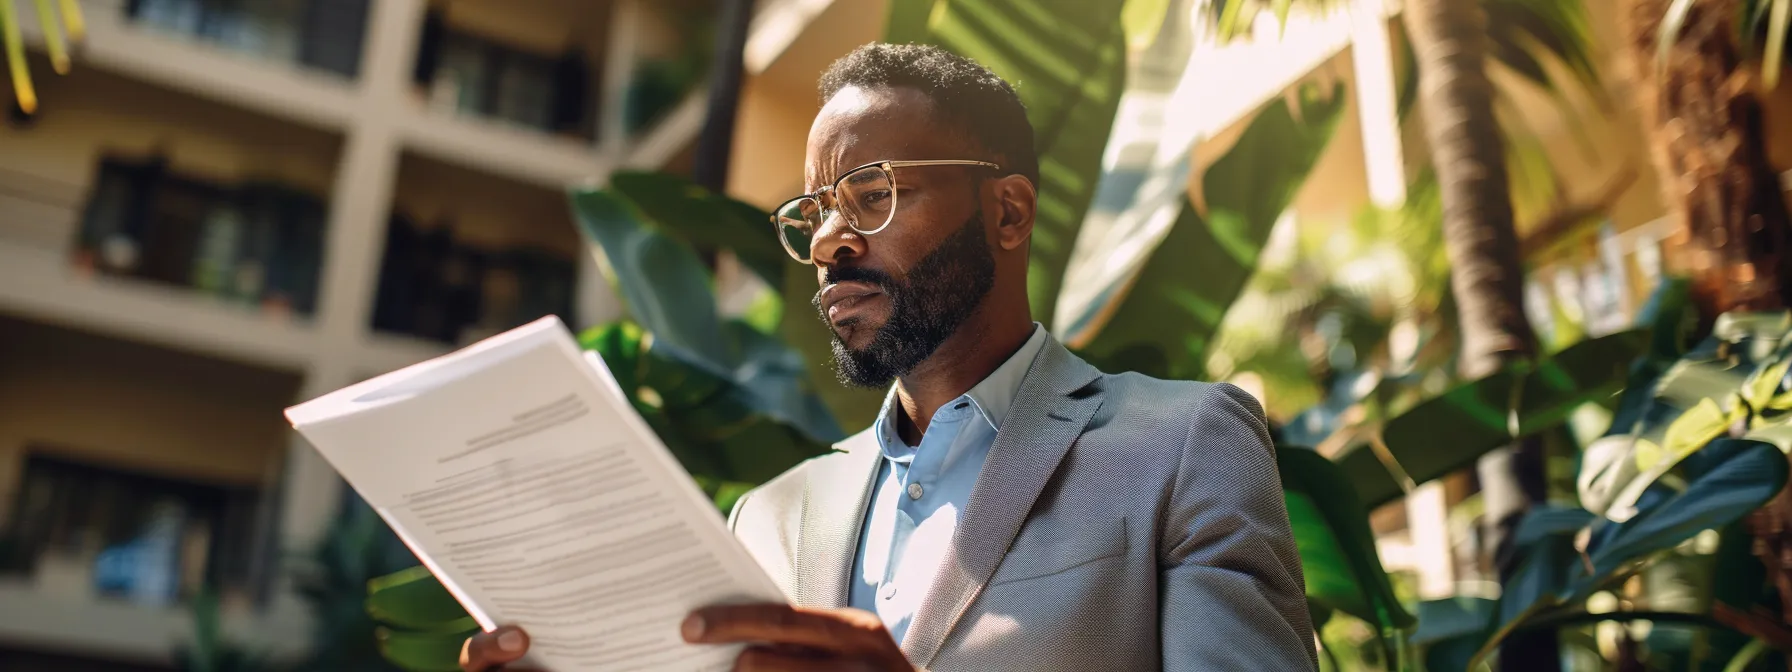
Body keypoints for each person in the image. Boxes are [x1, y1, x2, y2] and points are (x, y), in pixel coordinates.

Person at [460, 42, 1315, 672]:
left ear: (1008, 214)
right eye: (816, 212)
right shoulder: (767, 518)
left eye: (871, 196)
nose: (830, 240)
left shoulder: (1184, 444)